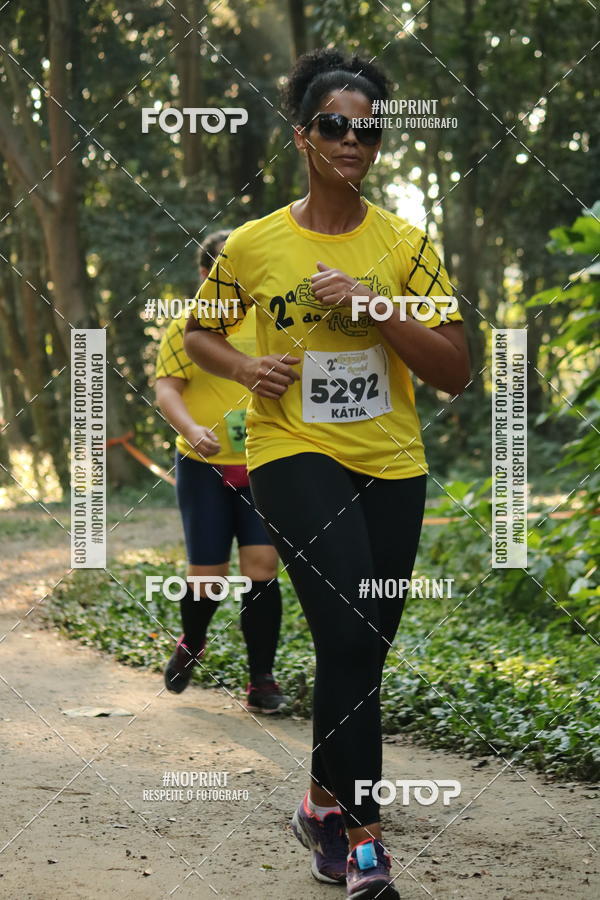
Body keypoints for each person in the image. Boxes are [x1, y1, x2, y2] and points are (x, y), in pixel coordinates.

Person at [184, 49, 470, 900]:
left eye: (368, 129)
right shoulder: (255, 243)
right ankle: (364, 842)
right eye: (336, 126)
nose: (353, 141)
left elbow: (454, 370)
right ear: (303, 135)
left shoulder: (407, 248)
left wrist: (374, 305)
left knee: (365, 647)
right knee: (348, 633)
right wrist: (243, 370)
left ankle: (319, 802)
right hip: (290, 452)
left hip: (391, 462)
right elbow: (202, 333)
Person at [154, 229, 286, 714]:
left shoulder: (274, 321)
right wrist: (190, 428)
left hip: (265, 463)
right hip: (202, 466)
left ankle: (261, 680)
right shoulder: (188, 325)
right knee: (208, 575)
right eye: (219, 274)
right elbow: (167, 388)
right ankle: (193, 640)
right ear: (204, 275)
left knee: (262, 568)